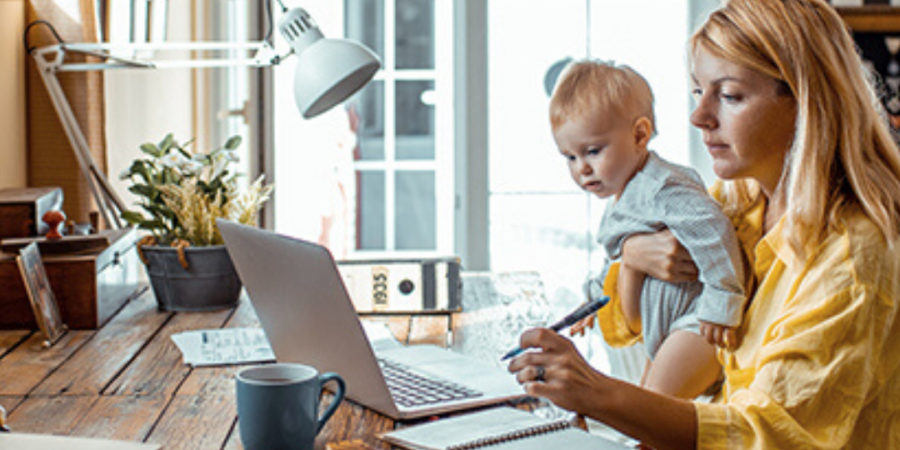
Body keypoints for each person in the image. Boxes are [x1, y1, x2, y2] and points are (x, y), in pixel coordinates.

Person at [508, 0, 900, 448]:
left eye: (729, 95)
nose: (699, 117)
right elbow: (626, 324)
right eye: (698, 92)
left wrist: (597, 393)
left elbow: (767, 435)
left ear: (805, 102)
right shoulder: (739, 203)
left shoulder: (852, 259)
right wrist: (634, 256)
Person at [549, 60, 746, 400]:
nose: (582, 169)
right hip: (667, 332)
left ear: (640, 135)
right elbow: (614, 261)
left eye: (593, 151)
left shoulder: (662, 187)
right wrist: (591, 299)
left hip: (698, 324)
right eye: (569, 157)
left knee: (650, 406)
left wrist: (722, 300)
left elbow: (713, 231)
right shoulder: (624, 197)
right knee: (646, 411)